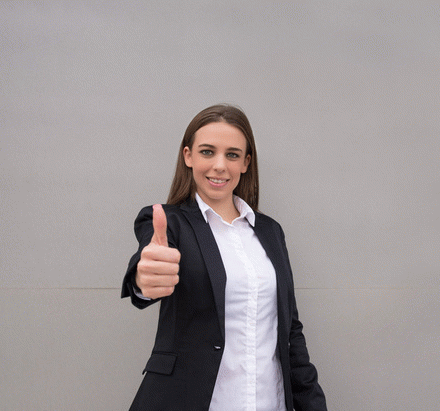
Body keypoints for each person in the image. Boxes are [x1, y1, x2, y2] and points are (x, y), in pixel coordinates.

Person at [121, 104, 327, 411]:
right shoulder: (169, 223)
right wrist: (144, 279)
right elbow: (148, 267)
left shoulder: (270, 232)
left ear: (245, 163)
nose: (220, 165)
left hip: (268, 403)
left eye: (232, 155)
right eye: (207, 152)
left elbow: (290, 331)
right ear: (188, 156)